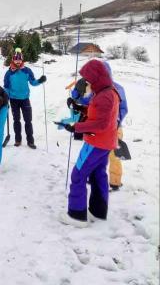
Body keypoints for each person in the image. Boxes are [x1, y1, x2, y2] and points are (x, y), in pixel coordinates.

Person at [59, 59, 120, 228]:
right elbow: (98, 113)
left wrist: (76, 127)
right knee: (98, 173)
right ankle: (98, 211)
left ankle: (76, 215)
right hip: (104, 142)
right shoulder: (105, 92)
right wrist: (80, 108)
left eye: (88, 79)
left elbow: (101, 123)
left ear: (96, 78)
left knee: (78, 175)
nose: (86, 82)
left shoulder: (105, 95)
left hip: (96, 142)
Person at [3, 48, 46, 148]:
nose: (18, 61)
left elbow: (33, 82)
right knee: (16, 120)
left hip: (25, 99)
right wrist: (6, 97)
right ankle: (18, 140)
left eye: (19, 60)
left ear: (22, 60)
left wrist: (40, 80)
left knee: (28, 120)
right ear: (13, 60)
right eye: (16, 59)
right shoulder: (9, 73)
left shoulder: (27, 71)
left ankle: (30, 141)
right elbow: (6, 87)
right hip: (14, 100)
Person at [103, 61, 128, 191]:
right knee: (96, 155)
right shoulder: (93, 89)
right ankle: (94, 178)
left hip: (115, 128)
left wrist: (116, 121)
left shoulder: (118, 88)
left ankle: (115, 182)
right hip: (99, 130)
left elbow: (124, 108)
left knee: (115, 155)